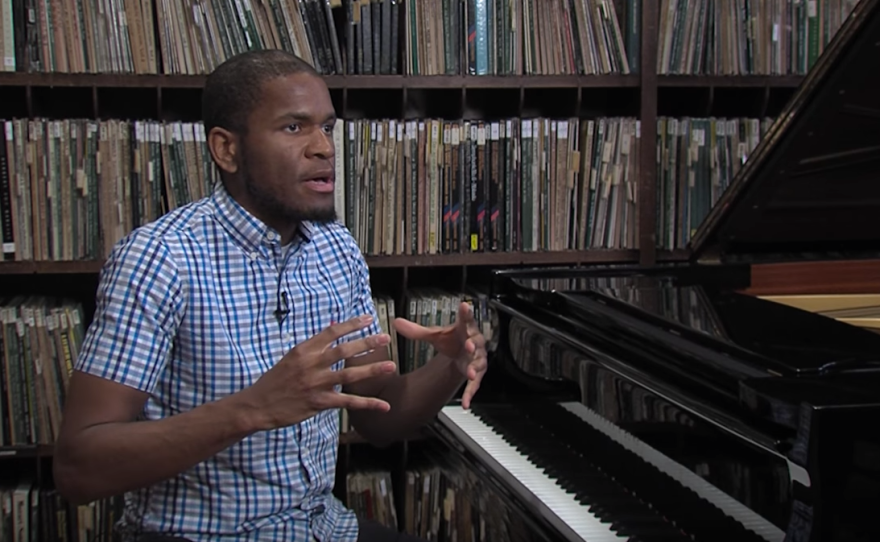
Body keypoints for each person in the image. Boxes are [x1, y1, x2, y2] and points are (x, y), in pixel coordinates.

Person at [52, 49, 488, 542]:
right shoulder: (160, 259)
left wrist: (451, 365)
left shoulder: (336, 248)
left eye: (327, 126)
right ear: (227, 149)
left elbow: (380, 420)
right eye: (294, 128)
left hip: (323, 529)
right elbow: (79, 469)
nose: (324, 147)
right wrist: (253, 408)